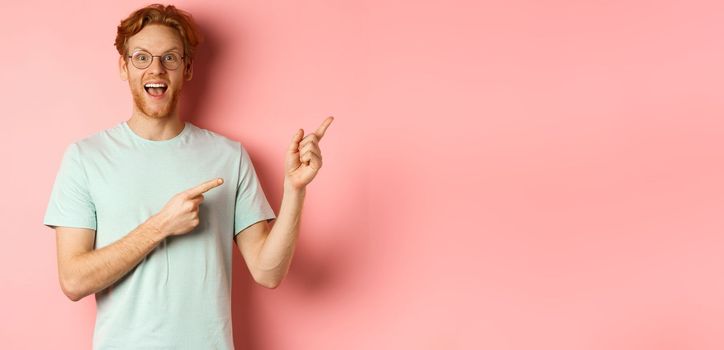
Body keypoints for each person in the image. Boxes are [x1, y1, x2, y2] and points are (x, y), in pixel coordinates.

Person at [43, 4, 333, 349]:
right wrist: (161, 226)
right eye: (141, 57)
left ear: (187, 68)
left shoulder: (229, 156)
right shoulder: (86, 158)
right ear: (124, 66)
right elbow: (73, 281)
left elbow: (268, 273)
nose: (156, 69)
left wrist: (295, 189)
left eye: (170, 58)